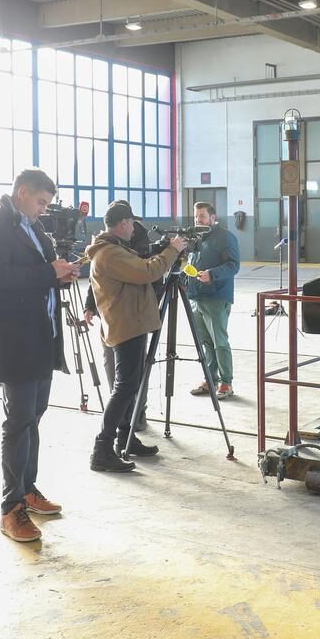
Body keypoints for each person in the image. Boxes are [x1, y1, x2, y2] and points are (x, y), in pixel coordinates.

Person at [0, 168, 76, 545]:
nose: (43, 209)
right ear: (21, 192)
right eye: (40, 201)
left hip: (41, 337)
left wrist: (60, 274)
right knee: (18, 420)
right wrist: (48, 271)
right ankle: (10, 506)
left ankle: (27, 488)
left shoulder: (34, 228)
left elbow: (40, 272)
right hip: (13, 341)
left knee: (34, 416)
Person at [83, 201, 185, 473]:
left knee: (131, 384)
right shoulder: (110, 254)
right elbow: (147, 272)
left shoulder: (115, 250)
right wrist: (172, 250)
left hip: (130, 322)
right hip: (125, 325)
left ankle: (124, 438)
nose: (134, 229)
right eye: (132, 223)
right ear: (122, 223)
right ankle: (102, 448)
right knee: (125, 387)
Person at [183, 202, 241, 400]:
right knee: (206, 342)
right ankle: (210, 379)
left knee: (219, 342)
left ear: (213, 218)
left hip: (216, 297)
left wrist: (212, 274)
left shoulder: (225, 237)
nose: (198, 220)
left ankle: (226, 382)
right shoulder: (197, 239)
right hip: (196, 297)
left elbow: (233, 266)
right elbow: (191, 264)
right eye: (196, 216)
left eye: (202, 216)